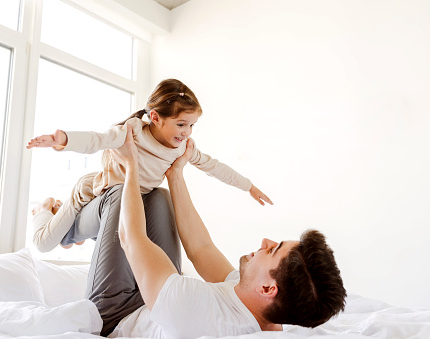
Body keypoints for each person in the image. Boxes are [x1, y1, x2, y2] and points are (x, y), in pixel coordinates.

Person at [90, 125, 346, 337]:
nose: (266, 241)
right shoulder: (262, 305)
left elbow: (130, 238)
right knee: (159, 197)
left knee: (116, 195)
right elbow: (202, 249)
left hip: (117, 313)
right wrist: (175, 173)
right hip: (155, 298)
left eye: (273, 249)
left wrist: (131, 165)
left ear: (269, 289)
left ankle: (58, 225)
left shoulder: (200, 312)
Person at [27, 79, 273, 253]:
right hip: (92, 192)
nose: (186, 132)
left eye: (191, 125)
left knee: (78, 239)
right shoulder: (132, 132)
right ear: (155, 117)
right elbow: (97, 140)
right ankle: (44, 209)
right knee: (44, 244)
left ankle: (68, 228)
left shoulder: (183, 148)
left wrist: (248, 186)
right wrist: (63, 140)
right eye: (180, 124)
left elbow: (214, 167)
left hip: (126, 204)